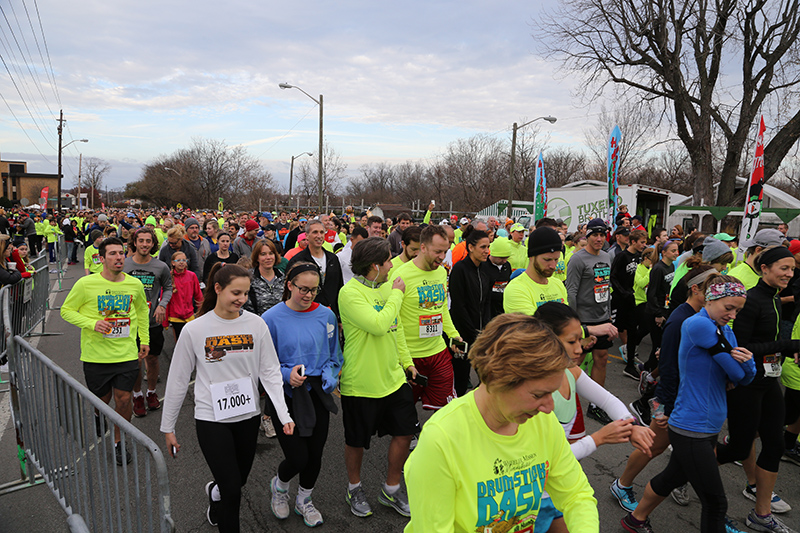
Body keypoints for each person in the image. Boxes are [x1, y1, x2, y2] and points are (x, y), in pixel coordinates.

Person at [403, 313, 599, 532]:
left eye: (551, 393)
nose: (549, 407)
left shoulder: (543, 422)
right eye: (538, 395)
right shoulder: (441, 440)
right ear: (497, 378)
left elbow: (576, 495)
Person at [161, 263, 294, 532]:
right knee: (233, 490)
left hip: (247, 416)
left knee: (237, 482)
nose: (242, 299)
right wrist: (168, 427)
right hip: (212, 418)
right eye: (236, 293)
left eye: (245, 293)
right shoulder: (195, 329)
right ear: (218, 289)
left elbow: (269, 371)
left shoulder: (256, 324)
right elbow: (177, 378)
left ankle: (216, 492)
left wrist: (283, 413)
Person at [621, 275, 755, 533]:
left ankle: (634, 520)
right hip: (691, 425)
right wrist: (744, 365)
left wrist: (746, 365)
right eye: (729, 308)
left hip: (709, 423)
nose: (733, 315)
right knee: (715, 502)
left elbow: (743, 377)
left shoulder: (724, 328)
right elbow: (737, 375)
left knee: (672, 477)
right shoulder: (699, 324)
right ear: (711, 298)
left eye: (738, 310)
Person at [534, 302, 655, 533]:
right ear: (546, 340)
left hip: (558, 490)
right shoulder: (533, 393)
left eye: (580, 339)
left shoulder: (571, 372)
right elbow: (542, 465)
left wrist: (632, 427)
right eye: (571, 342)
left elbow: (608, 400)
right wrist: (598, 438)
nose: (580, 349)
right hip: (534, 496)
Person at [611, 264, 717, 513]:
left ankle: (700, 496)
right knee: (653, 445)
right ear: (696, 290)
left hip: (689, 397)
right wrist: (664, 407)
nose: (717, 297)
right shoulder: (680, 319)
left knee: (695, 450)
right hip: (671, 399)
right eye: (711, 291)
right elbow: (668, 368)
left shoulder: (702, 316)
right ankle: (623, 484)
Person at [717, 246, 798, 531]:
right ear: (764, 268)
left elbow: (769, 343)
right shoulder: (751, 301)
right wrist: (786, 346)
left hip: (769, 382)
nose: (789, 274)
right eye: (783, 268)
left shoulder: (774, 299)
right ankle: (687, 465)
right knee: (738, 447)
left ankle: (761, 514)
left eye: (791, 268)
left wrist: (788, 353)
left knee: (774, 445)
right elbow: (741, 348)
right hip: (747, 384)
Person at [338, 237, 419, 518]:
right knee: (356, 441)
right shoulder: (350, 293)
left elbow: (396, 330)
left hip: (394, 380)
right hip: (361, 384)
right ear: (375, 265)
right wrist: (397, 294)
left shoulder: (386, 287)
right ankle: (354, 487)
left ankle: (392, 488)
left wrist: (407, 363)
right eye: (388, 260)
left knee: (405, 431)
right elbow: (378, 324)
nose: (391, 264)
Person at [262, 262, 343, 527]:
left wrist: (332, 374)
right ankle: (281, 487)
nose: (308, 295)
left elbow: (334, 354)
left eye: (314, 290)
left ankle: (304, 500)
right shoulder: (270, 318)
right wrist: (287, 375)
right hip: (284, 397)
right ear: (289, 285)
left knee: (316, 454)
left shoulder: (327, 316)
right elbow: (265, 363)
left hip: (316, 393)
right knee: (298, 456)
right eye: (303, 289)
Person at [60, 237, 149, 466]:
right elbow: (66, 311)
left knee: (123, 399)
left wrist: (144, 341)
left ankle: (119, 442)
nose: (119, 257)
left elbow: (141, 312)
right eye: (112, 254)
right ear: (102, 258)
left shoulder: (134, 284)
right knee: (103, 399)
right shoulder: (86, 284)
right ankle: (100, 414)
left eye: (121, 253)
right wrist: (92, 324)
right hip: (95, 355)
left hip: (126, 354)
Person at [390, 225, 464, 410]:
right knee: (404, 417)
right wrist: (405, 360)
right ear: (423, 248)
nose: (442, 256)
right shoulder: (400, 275)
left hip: (438, 352)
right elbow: (394, 321)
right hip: (411, 355)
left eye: (445, 251)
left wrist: (453, 335)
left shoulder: (441, 272)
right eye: (438, 251)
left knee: (445, 411)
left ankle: (432, 439)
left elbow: (441, 308)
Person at [566, 218, 615, 423]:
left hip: (602, 316)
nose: (598, 238)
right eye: (595, 234)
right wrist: (575, 324)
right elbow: (571, 292)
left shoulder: (607, 256)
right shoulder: (578, 259)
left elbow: (606, 287)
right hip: (583, 320)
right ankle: (567, 403)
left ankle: (596, 405)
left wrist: (609, 314)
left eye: (602, 235)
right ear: (587, 236)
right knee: (574, 361)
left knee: (601, 358)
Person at [124, 228, 173, 418]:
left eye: (148, 241)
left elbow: (168, 287)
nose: (145, 244)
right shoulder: (124, 265)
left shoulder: (161, 267)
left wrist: (162, 305)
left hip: (152, 322)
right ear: (134, 243)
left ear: (153, 244)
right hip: (129, 323)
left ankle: (151, 392)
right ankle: (137, 395)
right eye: (141, 241)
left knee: (152, 359)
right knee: (135, 361)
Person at [449, 229, 492, 396]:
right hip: (461, 333)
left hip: (480, 332)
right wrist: (473, 332)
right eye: (482, 247)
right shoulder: (460, 269)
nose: (486, 251)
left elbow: (486, 302)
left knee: (486, 375)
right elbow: (459, 306)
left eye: (488, 246)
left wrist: (486, 328)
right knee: (460, 376)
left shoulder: (485, 269)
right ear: (470, 247)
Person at [286, 219, 344, 318]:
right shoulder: (298, 261)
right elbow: (289, 291)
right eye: (315, 232)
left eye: (322, 232)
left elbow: (339, 287)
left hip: (331, 315)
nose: (319, 236)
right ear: (307, 235)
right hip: (306, 314)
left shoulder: (333, 259)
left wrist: (339, 317)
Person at [611, 229, 647, 378]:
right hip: (622, 299)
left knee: (634, 330)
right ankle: (628, 358)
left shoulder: (639, 257)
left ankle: (631, 361)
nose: (644, 245)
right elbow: (613, 277)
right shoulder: (621, 256)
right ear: (633, 242)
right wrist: (624, 293)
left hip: (635, 300)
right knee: (620, 328)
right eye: (642, 242)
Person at [643, 240, 680, 372]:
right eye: (673, 251)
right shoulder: (658, 269)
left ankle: (648, 367)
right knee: (658, 345)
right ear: (663, 253)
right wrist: (658, 314)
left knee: (662, 344)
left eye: (677, 250)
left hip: (664, 309)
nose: (677, 253)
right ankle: (649, 371)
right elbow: (651, 294)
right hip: (655, 312)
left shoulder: (671, 266)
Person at [164, 251, 203, 342]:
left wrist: (202, 313)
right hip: (175, 317)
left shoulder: (192, 276)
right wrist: (165, 321)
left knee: (192, 340)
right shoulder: (169, 277)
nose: (181, 262)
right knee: (180, 341)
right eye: (178, 260)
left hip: (190, 315)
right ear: (173, 263)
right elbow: (165, 299)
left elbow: (198, 296)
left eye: (184, 260)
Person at [243, 239, 283, 317]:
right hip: (256, 324)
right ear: (257, 257)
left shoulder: (283, 277)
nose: (268, 257)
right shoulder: (248, 278)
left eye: (271, 253)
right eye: (263, 254)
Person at [482, 235, 512, 318]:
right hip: (488, 309)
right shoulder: (483, 266)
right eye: (501, 258)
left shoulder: (507, 266)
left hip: (503, 308)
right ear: (493, 254)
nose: (504, 261)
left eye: (506, 258)